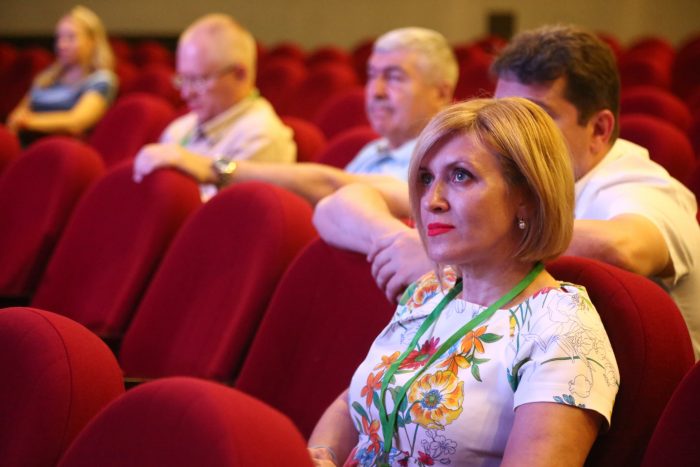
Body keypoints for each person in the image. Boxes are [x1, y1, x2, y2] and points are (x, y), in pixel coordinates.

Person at [314, 24, 700, 359]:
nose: (508, 134)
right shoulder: (503, 179)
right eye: (500, 113)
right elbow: (339, 203)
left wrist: (458, 252)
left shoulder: (641, 184)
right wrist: (399, 242)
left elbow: (623, 248)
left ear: (599, 130)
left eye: (534, 116)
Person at [308, 98, 620, 467]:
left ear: (527, 196)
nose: (432, 201)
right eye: (426, 178)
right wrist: (323, 456)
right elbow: (354, 401)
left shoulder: (563, 332)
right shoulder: (430, 291)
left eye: (460, 176)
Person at [141, 26, 457, 205]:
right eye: (372, 76)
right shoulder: (373, 150)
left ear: (441, 93)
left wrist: (215, 169)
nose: (375, 91)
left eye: (394, 78)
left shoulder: (443, 162)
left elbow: (334, 188)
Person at [132, 13, 295, 201]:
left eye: (198, 80)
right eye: (183, 79)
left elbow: (218, 214)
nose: (186, 93)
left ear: (240, 74)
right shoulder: (180, 127)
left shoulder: (262, 137)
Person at [6, 5, 117, 145]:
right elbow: (17, 115)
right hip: (27, 144)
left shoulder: (101, 79)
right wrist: (20, 121)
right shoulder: (46, 77)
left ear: (92, 42)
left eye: (71, 37)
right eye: (59, 37)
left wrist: (28, 122)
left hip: (63, 150)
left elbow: (76, 122)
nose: (61, 45)